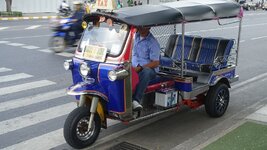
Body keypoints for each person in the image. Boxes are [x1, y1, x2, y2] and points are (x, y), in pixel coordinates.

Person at [132, 27, 160, 111]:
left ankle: (136, 100)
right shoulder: (135, 37)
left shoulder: (152, 42)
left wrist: (140, 68)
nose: (140, 28)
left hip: (148, 69)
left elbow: (155, 63)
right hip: (134, 66)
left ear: (149, 27)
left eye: (143, 26)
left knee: (146, 72)